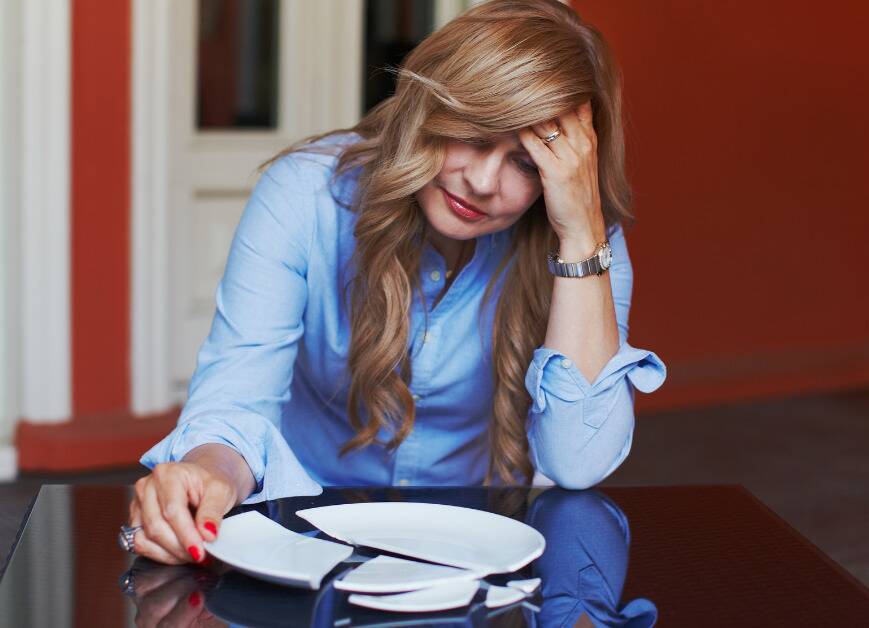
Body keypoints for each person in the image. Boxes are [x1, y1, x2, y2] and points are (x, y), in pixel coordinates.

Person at [123, 0, 666, 566]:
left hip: (473, 542)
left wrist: (580, 237)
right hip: (305, 532)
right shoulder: (304, 196)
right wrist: (206, 475)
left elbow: (578, 462)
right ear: (431, 105)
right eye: (475, 134)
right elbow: (238, 397)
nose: (482, 182)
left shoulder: (587, 245)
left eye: (527, 164)